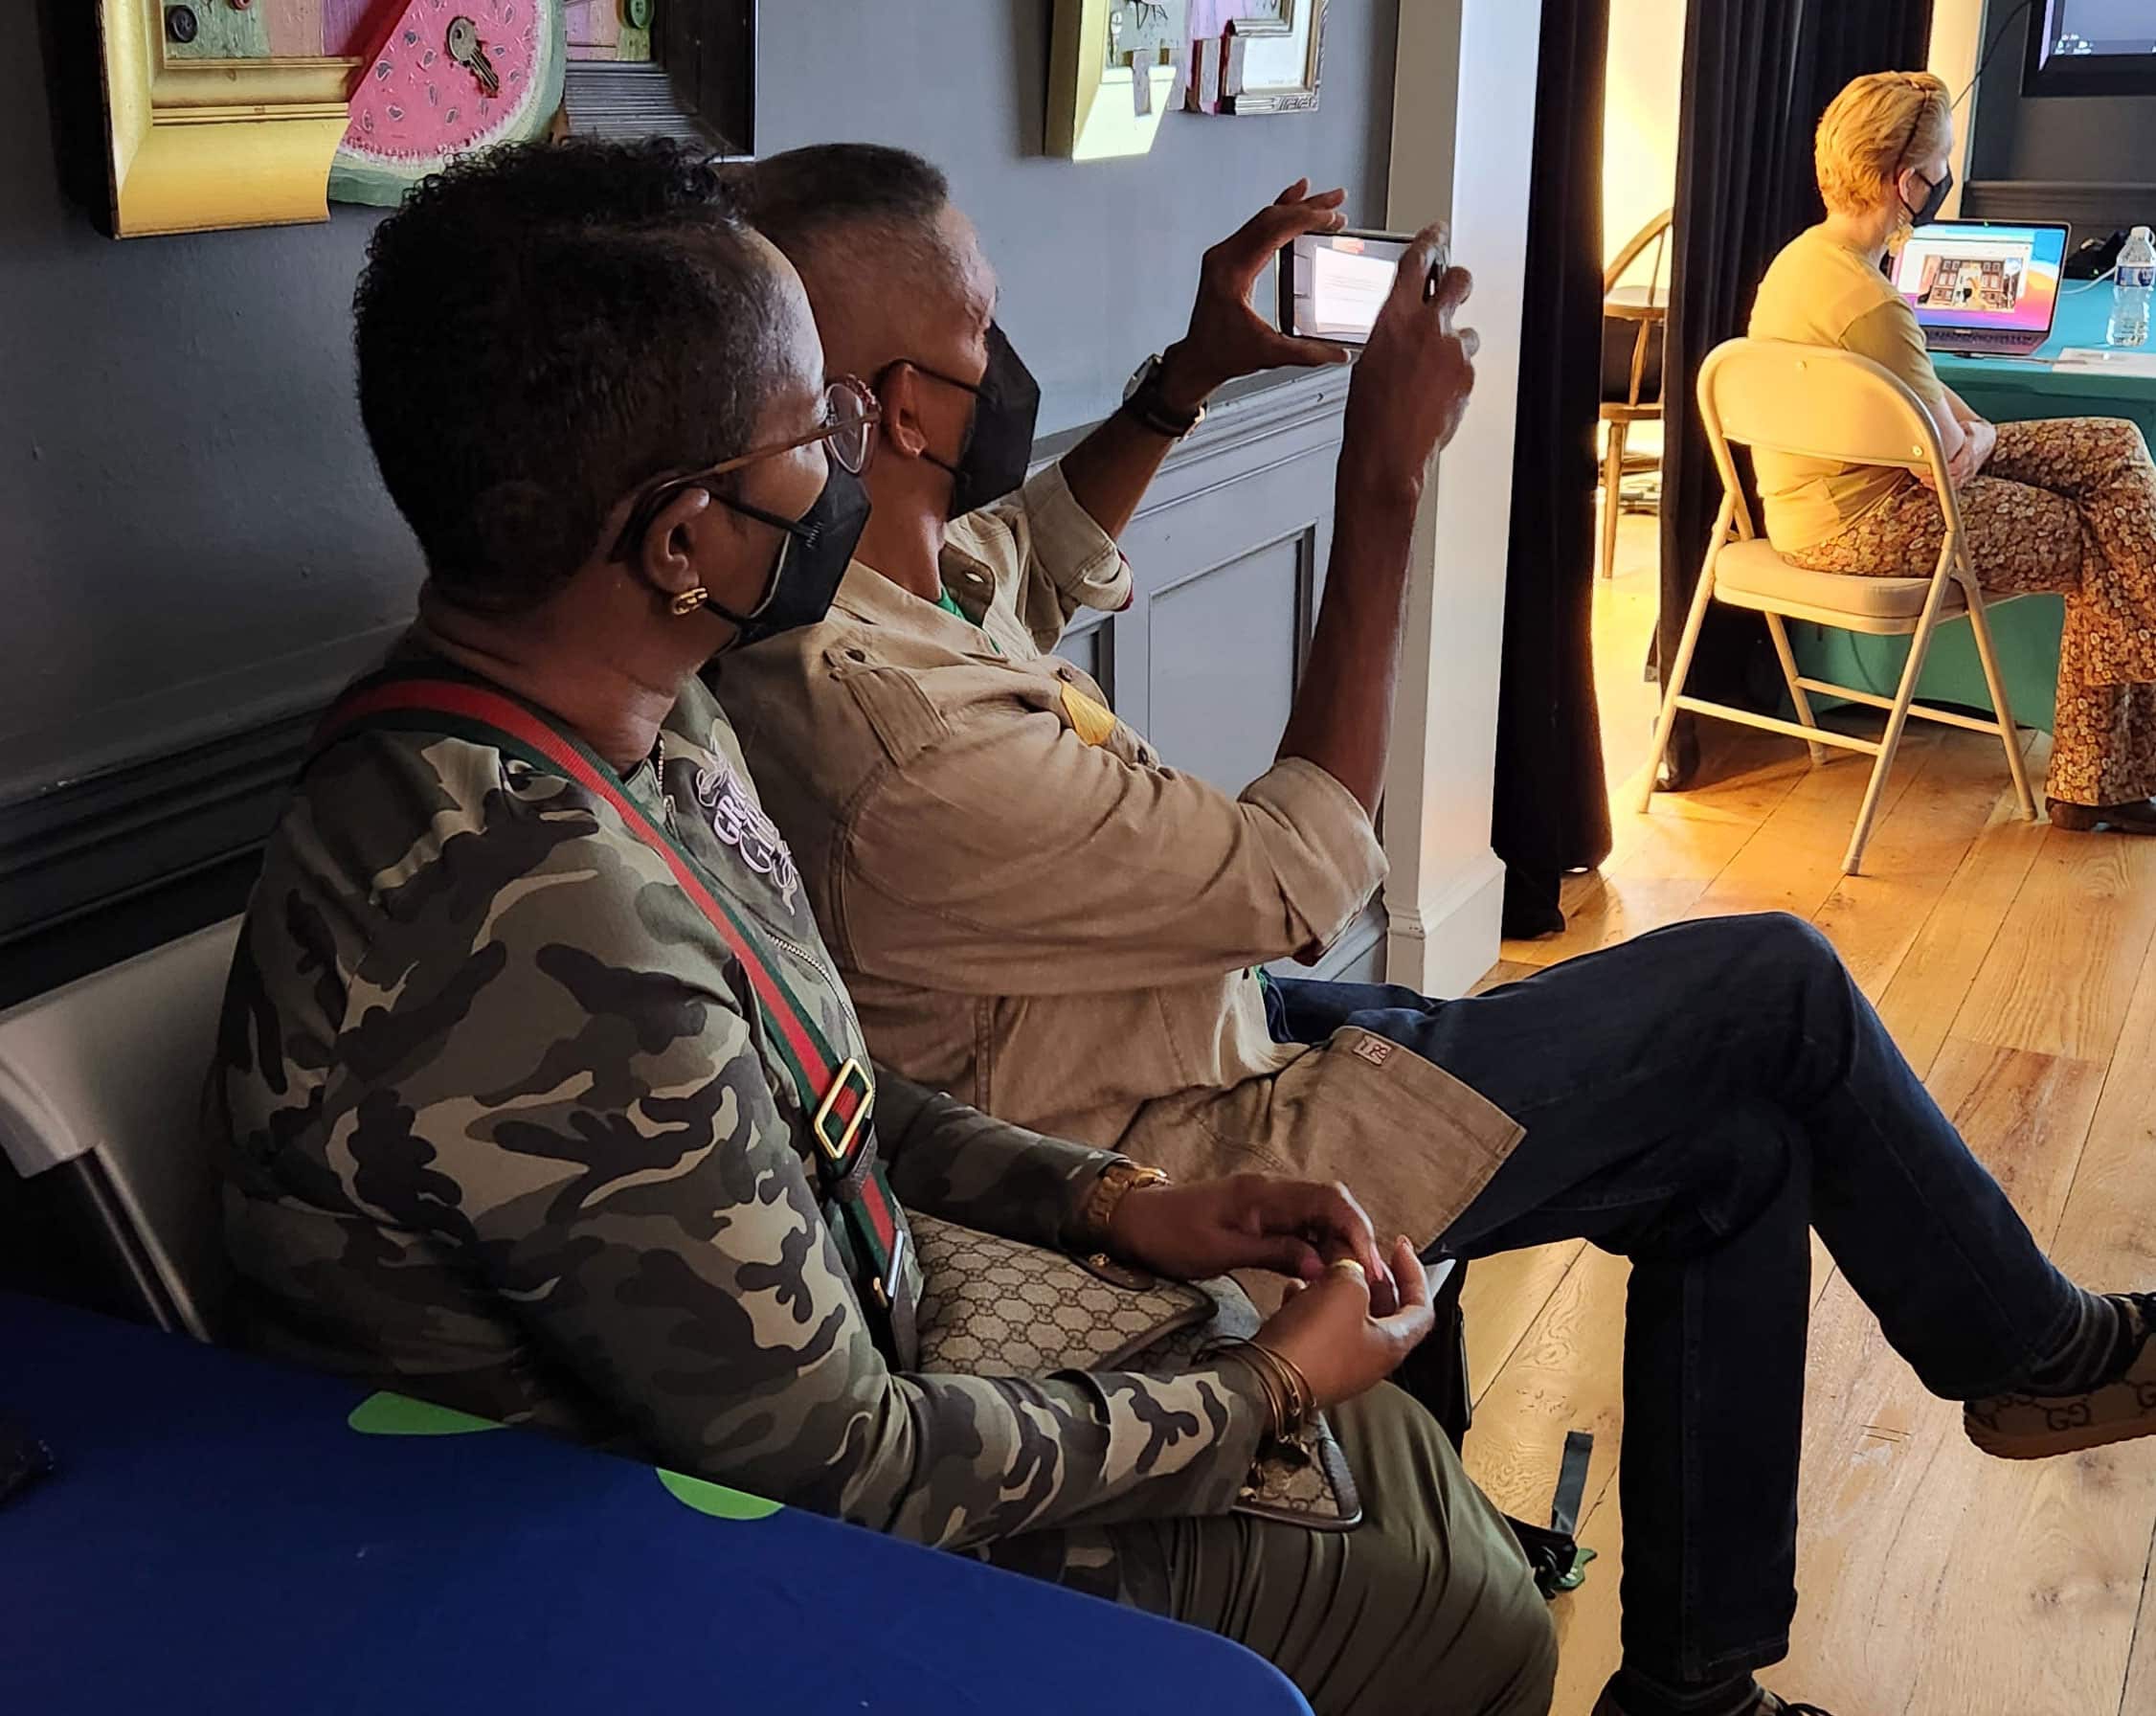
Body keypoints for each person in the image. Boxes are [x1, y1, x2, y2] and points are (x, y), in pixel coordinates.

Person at [714, 143, 2156, 1716]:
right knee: (1774, 980)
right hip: (1156, 1149)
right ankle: (2033, 1347)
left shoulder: (875, 581)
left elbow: (1029, 558)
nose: (1007, 363)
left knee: (1739, 1150)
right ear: (896, 408)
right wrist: (1384, 483)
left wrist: (1183, 380)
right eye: (982, 333)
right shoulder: (886, 731)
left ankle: (1696, 1694)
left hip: (1193, 1045)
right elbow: (1292, 877)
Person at [207, 139, 1563, 1716]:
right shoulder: (529, 920)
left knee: (1384, 1444)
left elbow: (816, 1084)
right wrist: (1256, 1386)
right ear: (681, 536)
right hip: (633, 1577)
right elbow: (845, 1468)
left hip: (832, 1397)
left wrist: (1115, 1203)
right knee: (1468, 1620)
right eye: (812, 432)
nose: (852, 457)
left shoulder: (631, 713)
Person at [1752, 69, 2156, 832]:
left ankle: (2115, 739)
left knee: (2117, 447)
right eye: (1940, 166)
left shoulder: (1806, 263)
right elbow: (1942, 452)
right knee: (2100, 534)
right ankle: (2097, 783)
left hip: (1820, 505)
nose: (1944, 179)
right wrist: (1974, 434)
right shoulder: (1872, 304)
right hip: (1866, 524)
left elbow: (1928, 394)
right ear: (1907, 181)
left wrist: (1977, 431)